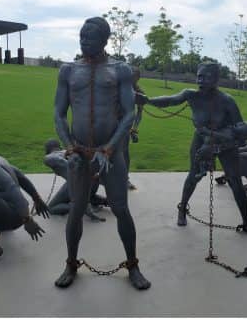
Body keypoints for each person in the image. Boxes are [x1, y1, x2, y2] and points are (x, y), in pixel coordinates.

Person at [53, 16, 150, 290]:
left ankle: (133, 265)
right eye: (81, 36)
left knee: (121, 209)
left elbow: (129, 112)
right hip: (79, 154)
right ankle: (71, 264)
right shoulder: (68, 70)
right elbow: (59, 113)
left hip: (111, 154)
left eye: (91, 38)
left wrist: (109, 149)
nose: (84, 41)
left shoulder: (121, 70)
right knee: (76, 210)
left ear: (105, 40)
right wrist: (69, 147)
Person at [136, 62, 247, 237]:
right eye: (199, 76)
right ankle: (182, 208)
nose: (200, 80)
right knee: (193, 176)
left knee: (236, 182)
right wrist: (148, 101)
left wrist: (216, 145)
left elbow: (240, 133)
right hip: (201, 140)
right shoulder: (191, 95)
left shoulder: (227, 101)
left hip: (225, 145)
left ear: (216, 79)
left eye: (206, 77)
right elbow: (171, 100)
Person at [0, 144, 49, 264]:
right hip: (11, 212)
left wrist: (27, 219)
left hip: (14, 216)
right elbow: (20, 176)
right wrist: (36, 198)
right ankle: (3, 225)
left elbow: (12, 188)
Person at [43, 139, 107, 221]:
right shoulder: (70, 151)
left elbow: (54, 159)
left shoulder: (49, 157)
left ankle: (80, 207)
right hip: (92, 181)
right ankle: (101, 201)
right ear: (59, 146)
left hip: (80, 181)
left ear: (47, 149)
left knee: (51, 208)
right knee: (83, 191)